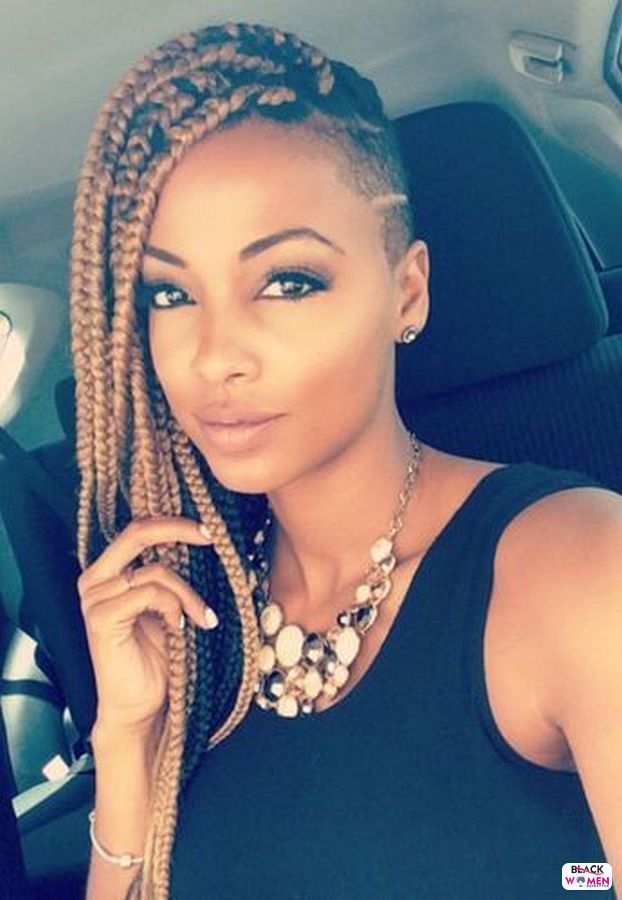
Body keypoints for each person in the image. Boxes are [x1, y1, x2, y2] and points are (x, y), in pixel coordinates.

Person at [70, 20, 622, 900]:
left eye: (287, 281)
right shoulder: (194, 629)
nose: (214, 357)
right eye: (170, 293)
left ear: (407, 291)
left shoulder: (577, 566)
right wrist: (129, 738)